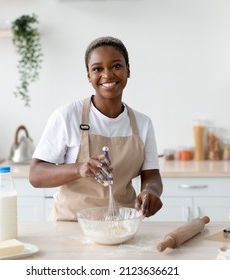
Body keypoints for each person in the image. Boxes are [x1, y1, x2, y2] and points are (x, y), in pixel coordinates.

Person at [29, 36, 163, 221]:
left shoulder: (142, 123)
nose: (107, 75)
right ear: (89, 76)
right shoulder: (67, 116)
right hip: (71, 224)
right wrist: (79, 169)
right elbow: (36, 175)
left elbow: (152, 175)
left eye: (116, 66)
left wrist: (150, 191)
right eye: (97, 69)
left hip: (122, 225)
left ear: (128, 70)